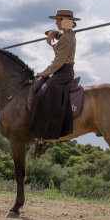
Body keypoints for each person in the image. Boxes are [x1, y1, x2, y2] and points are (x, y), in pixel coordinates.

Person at [29, 9, 80, 140]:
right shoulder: (69, 34)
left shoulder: (66, 39)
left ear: (65, 22)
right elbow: (61, 36)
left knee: (42, 95)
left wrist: (44, 73)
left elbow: (58, 63)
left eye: (58, 20)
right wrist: (53, 33)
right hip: (62, 70)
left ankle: (49, 133)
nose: (56, 23)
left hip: (63, 72)